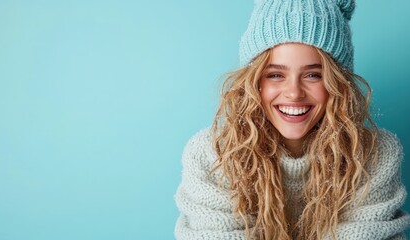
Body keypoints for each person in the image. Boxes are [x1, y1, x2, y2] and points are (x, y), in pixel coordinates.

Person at [174, 0, 410, 239]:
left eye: (313, 75)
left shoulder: (375, 155)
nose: (294, 92)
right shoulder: (212, 154)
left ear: (338, 84)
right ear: (253, 83)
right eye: (275, 75)